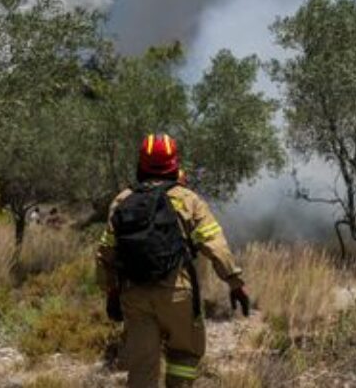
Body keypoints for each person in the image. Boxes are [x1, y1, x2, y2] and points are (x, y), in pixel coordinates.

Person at [97, 133, 250, 387]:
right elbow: (216, 245)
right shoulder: (188, 200)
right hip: (178, 295)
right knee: (184, 357)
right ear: (175, 164)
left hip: (135, 296)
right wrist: (235, 282)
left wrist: (112, 292)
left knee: (142, 368)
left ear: (141, 164)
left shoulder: (122, 201)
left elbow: (105, 254)